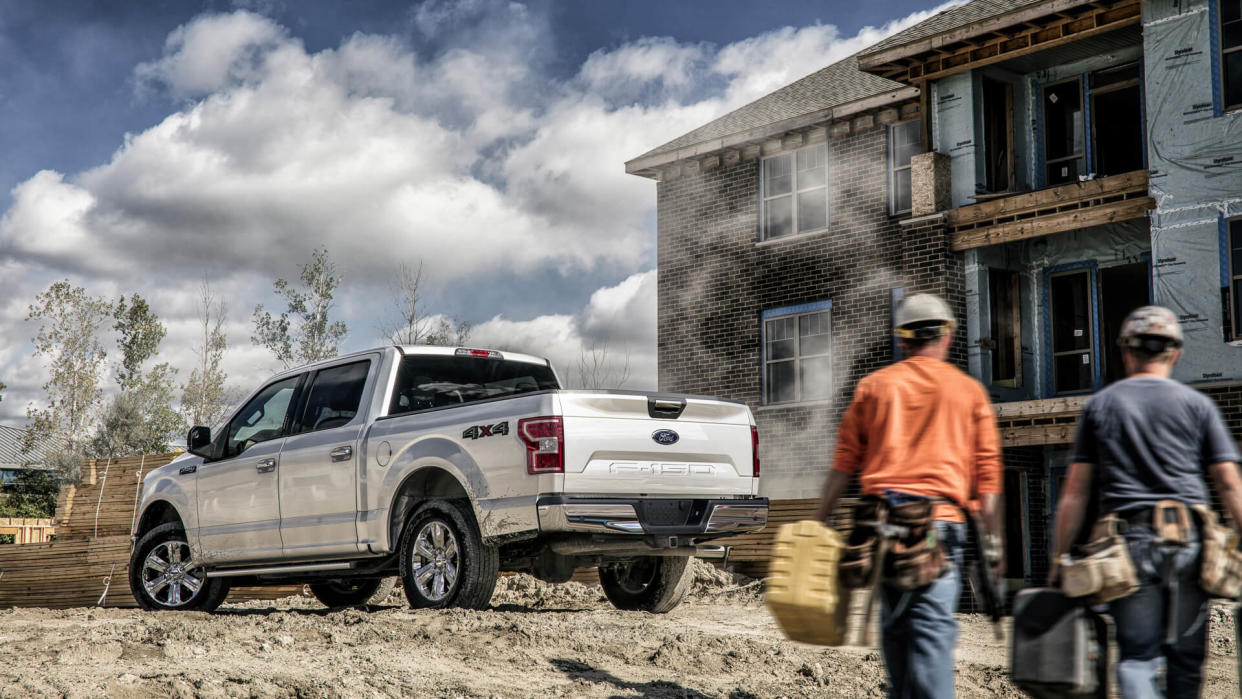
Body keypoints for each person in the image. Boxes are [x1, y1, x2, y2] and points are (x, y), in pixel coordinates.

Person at [813, 292, 1004, 699]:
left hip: (883, 527)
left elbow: (843, 465)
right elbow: (987, 478)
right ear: (947, 335)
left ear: (903, 339)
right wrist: (993, 542)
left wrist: (820, 519)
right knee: (930, 631)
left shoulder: (875, 387)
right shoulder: (969, 393)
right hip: (939, 529)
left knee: (896, 628)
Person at [1050, 305, 1242, 698]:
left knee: (1138, 657)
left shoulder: (1102, 405)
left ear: (1126, 352)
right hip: (1192, 543)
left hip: (1130, 546)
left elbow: (1074, 492)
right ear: (1175, 353)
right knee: (1187, 662)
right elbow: (1228, 484)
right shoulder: (1198, 406)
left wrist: (1058, 557)